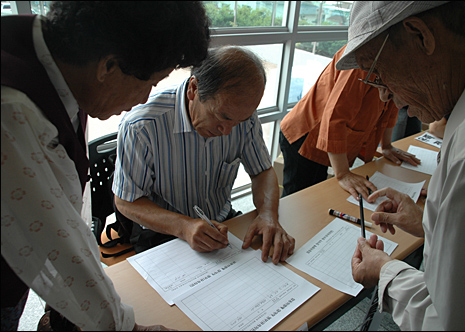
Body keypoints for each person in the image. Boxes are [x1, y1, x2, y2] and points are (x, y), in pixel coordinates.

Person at [1, 2, 211, 330]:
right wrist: (125, 326)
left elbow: (62, 208)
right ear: (109, 67)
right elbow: (60, 240)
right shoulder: (12, 110)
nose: (145, 98)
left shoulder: (60, 65)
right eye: (150, 82)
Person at [335, 1, 465, 330]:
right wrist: (430, 222)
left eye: (379, 74)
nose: (383, 96)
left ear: (420, 35)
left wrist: (385, 272)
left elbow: (456, 322)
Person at [112, 45, 295, 266]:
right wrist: (185, 226)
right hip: (163, 233)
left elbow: (262, 171)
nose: (227, 131)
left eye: (238, 121)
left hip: (220, 223)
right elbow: (126, 202)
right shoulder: (142, 126)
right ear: (194, 89)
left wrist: (267, 214)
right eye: (222, 117)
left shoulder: (241, 115)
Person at [279, 45, 420, 201]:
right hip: (307, 134)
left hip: (325, 139)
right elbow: (334, 117)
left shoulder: (396, 64)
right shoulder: (362, 59)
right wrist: (343, 174)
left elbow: (390, 108)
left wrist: (386, 146)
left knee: (315, 197)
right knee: (299, 202)